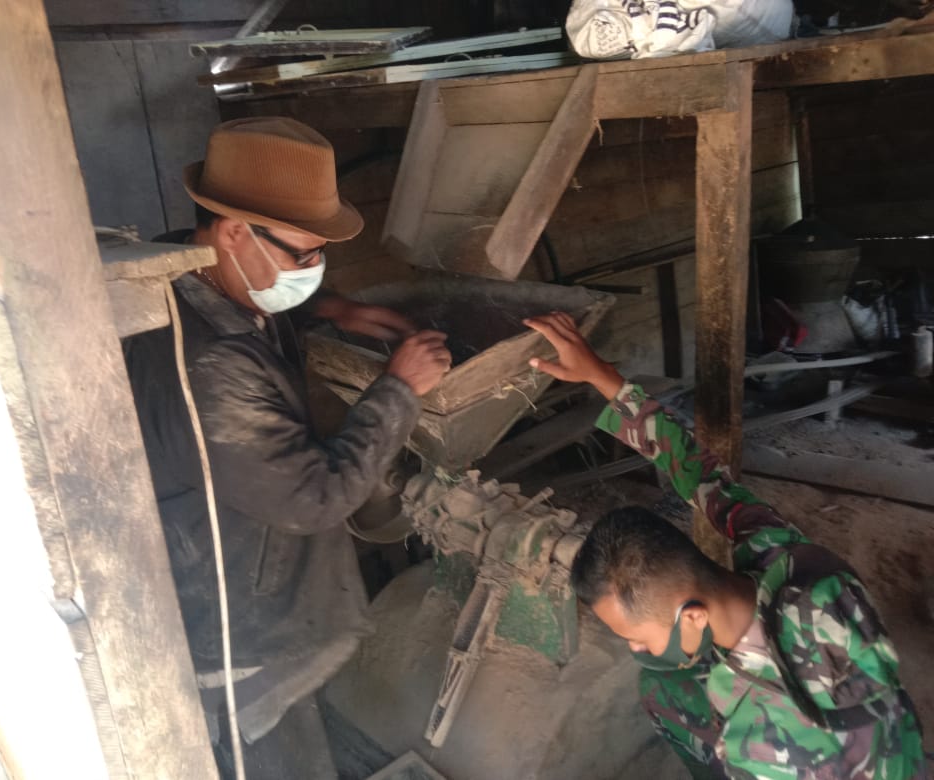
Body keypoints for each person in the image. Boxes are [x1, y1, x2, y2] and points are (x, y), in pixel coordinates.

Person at [123, 117, 451, 775]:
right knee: (281, 754)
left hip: (239, 570)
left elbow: (244, 297)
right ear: (233, 232)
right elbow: (315, 498)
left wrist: (329, 309)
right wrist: (398, 390)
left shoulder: (179, 269)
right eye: (303, 255)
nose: (313, 268)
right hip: (245, 634)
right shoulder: (215, 367)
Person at [524, 312, 927, 780]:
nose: (636, 646)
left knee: (659, 687)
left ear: (693, 616)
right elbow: (701, 473)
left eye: (639, 637)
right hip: (904, 749)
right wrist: (601, 376)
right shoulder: (788, 558)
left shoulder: (759, 740)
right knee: (661, 677)